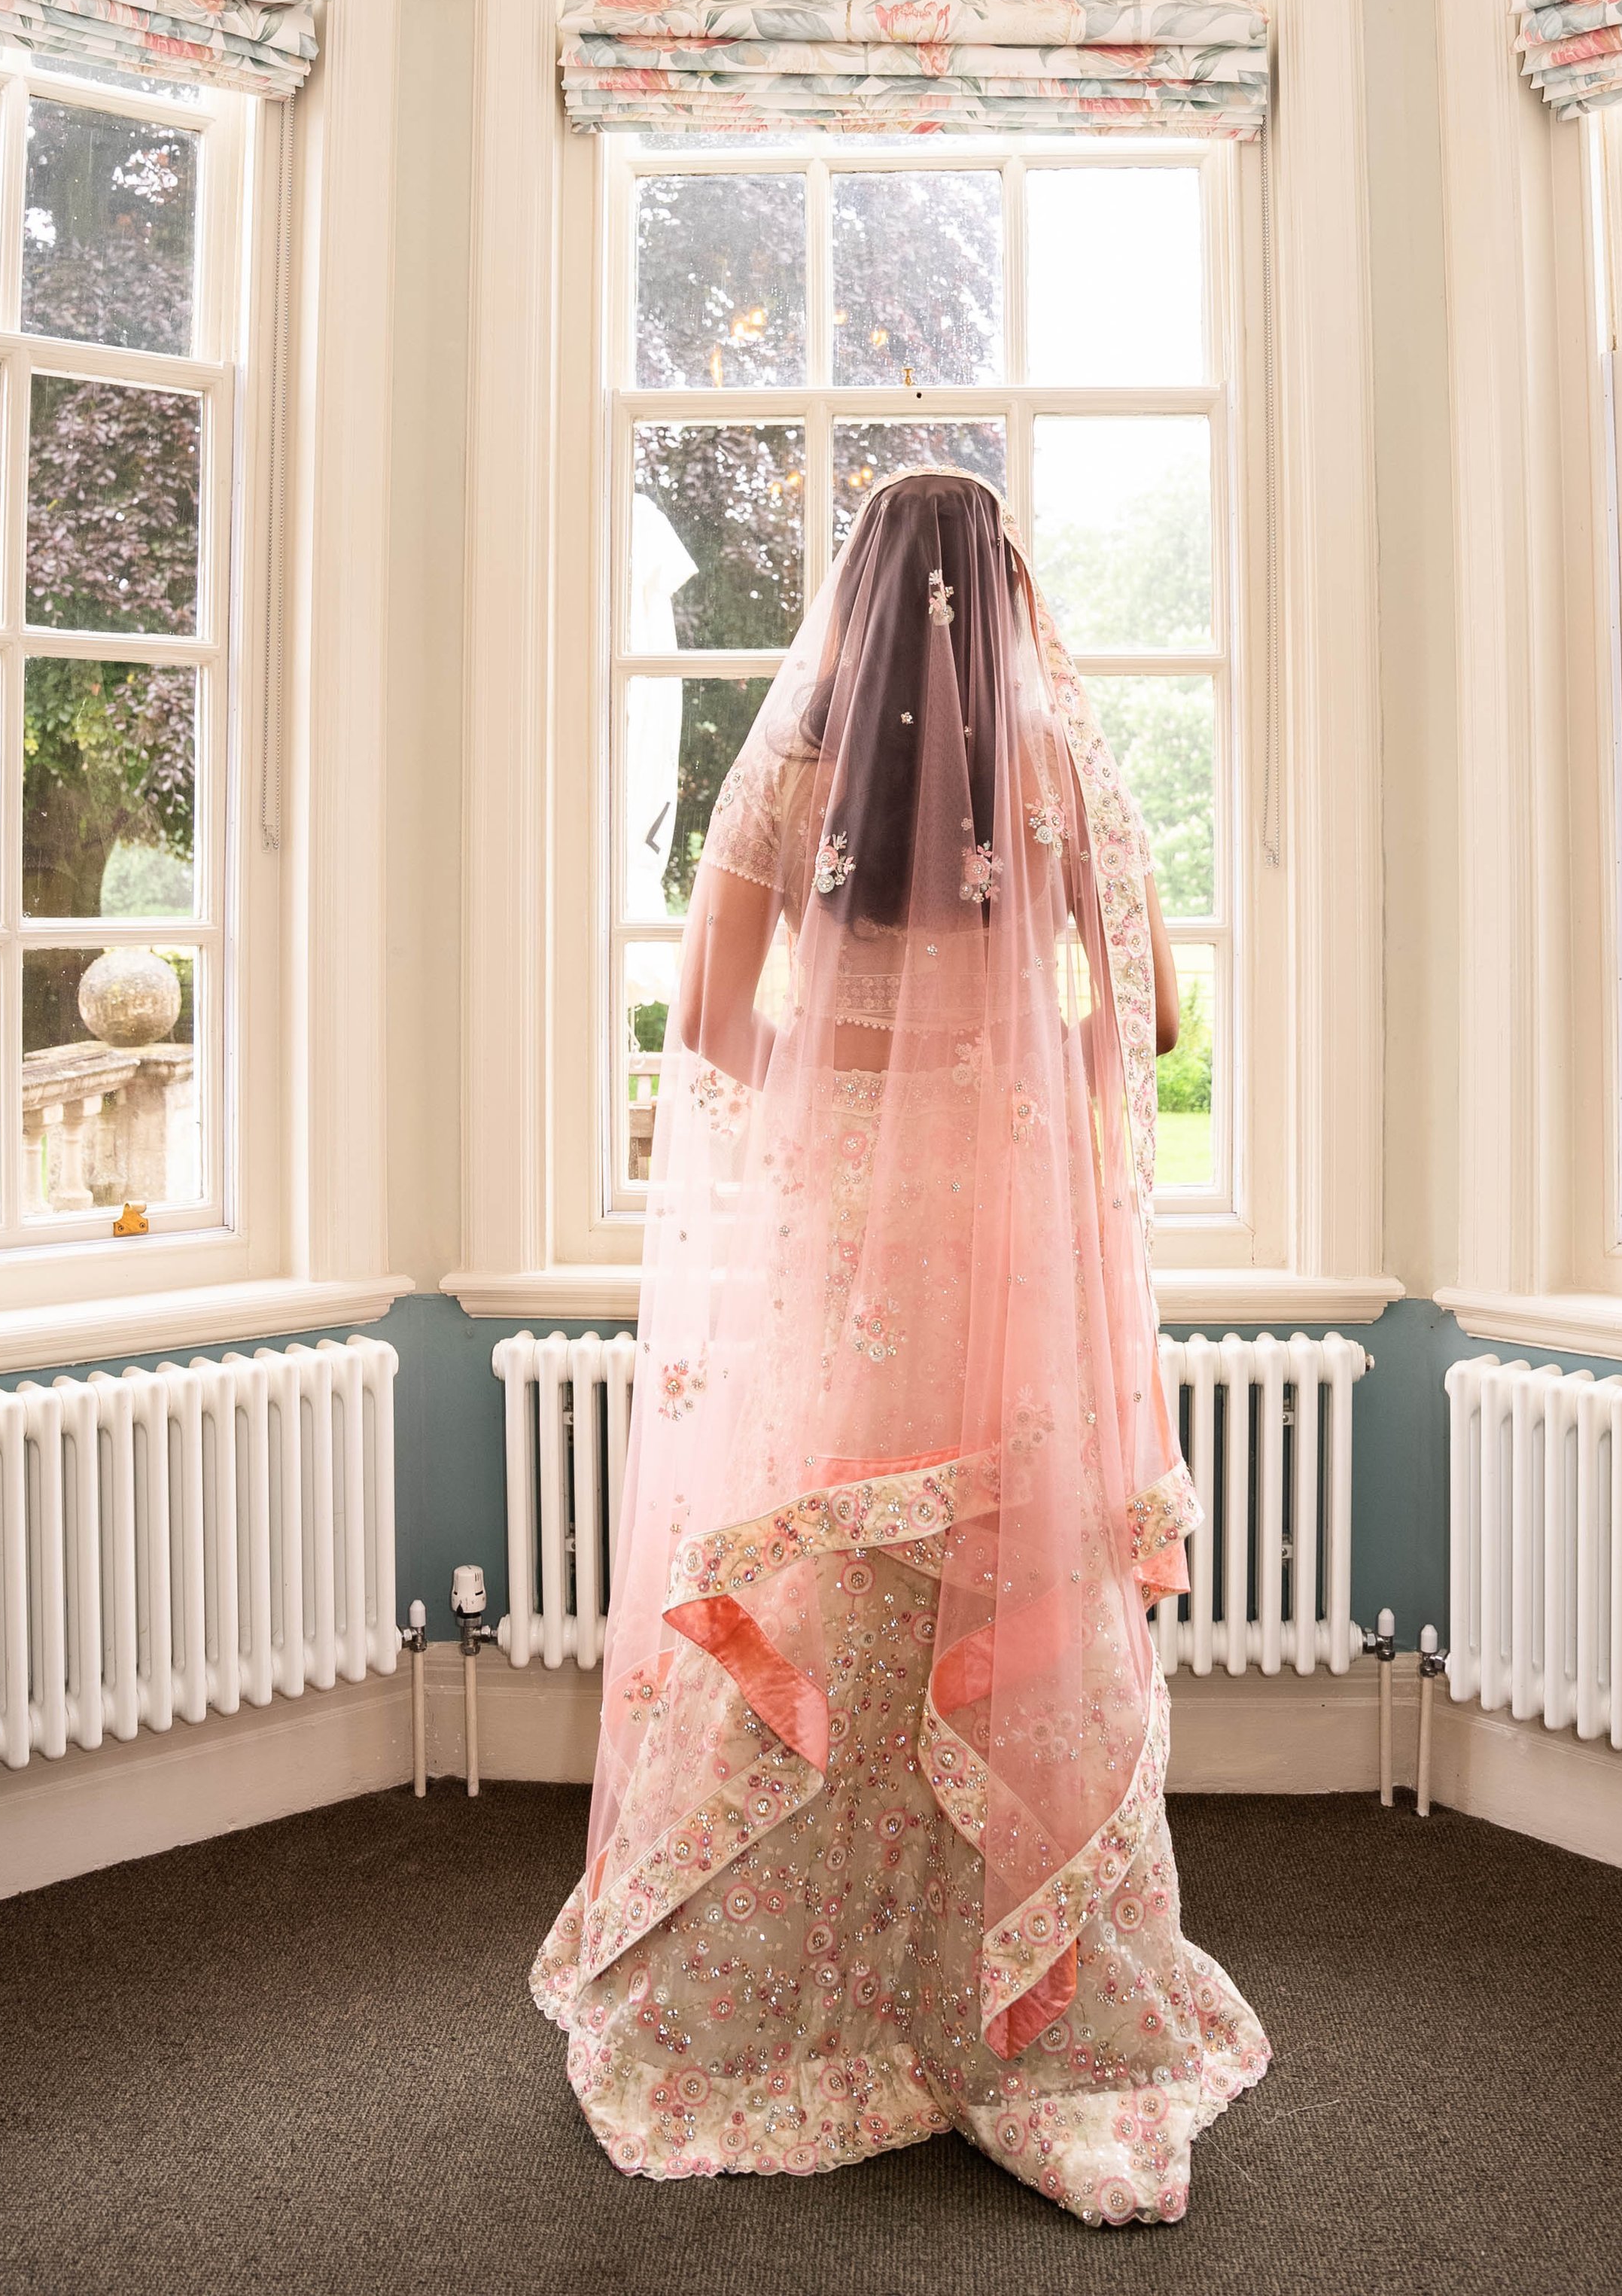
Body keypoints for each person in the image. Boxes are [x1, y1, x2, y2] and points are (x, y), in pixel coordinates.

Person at [534, 468, 1268, 2224]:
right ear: (1000, 583)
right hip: (1009, 1247)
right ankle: (1010, 2001)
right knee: (1004, 1593)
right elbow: (1153, 1017)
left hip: (833, 1248)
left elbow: (713, 1023)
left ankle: (794, 1995)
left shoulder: (785, 767)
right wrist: (998, 1054)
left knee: (837, 1595)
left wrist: (866, 1063)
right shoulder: (1064, 756)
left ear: (853, 606)